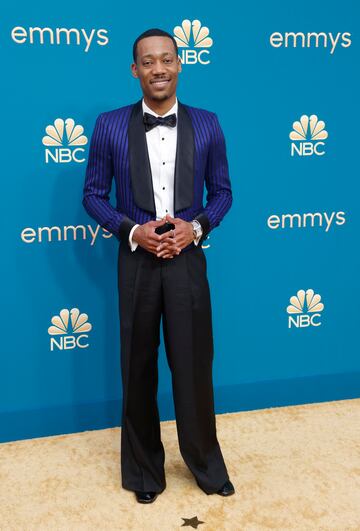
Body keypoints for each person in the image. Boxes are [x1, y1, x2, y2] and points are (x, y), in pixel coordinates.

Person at [82, 28, 234, 504]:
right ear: (135, 70)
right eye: (148, 62)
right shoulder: (109, 125)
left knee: (193, 367)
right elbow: (92, 195)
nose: (158, 69)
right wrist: (132, 231)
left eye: (166, 59)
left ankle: (206, 466)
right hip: (136, 264)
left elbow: (224, 193)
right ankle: (145, 473)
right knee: (138, 367)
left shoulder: (208, 123)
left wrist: (197, 227)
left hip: (188, 262)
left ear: (180, 63)